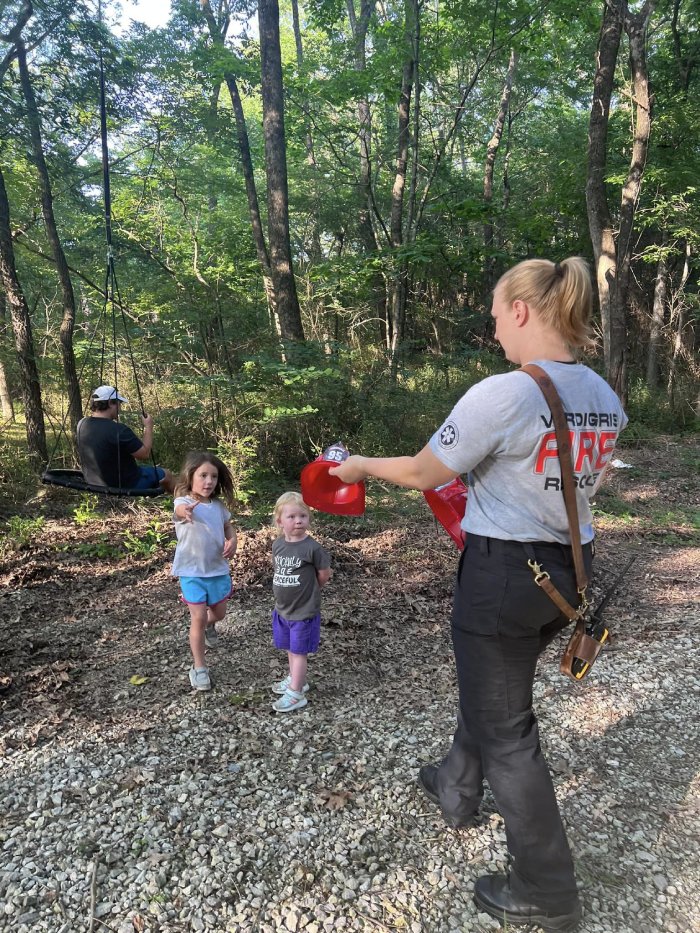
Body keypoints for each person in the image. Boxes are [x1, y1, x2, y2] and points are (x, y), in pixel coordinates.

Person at [329, 257, 627, 932]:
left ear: (521, 310)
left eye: (496, 316)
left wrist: (359, 466)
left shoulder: (505, 394)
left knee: (509, 732)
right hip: (568, 575)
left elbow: (423, 469)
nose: (494, 331)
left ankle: (547, 889)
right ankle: (457, 785)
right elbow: (585, 483)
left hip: (504, 577)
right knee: (496, 693)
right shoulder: (606, 396)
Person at [172, 451, 237, 691]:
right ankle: (199, 668)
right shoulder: (184, 502)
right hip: (191, 572)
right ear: (190, 477)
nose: (208, 481)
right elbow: (179, 510)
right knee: (197, 618)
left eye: (213, 476)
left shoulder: (218, 506)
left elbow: (228, 526)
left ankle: (209, 625)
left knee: (218, 614)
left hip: (218, 570)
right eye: (203, 475)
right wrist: (185, 512)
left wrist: (233, 540)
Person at [270, 492, 331, 713]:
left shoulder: (312, 548)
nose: (298, 521)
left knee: (299, 651)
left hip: (303, 610)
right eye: (292, 516)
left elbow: (323, 574)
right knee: (289, 647)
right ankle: (297, 679)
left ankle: (296, 694)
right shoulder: (278, 545)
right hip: (283, 609)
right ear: (280, 521)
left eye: (303, 516)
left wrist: (311, 590)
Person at [77, 385, 175, 493]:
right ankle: (181, 504)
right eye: (119, 403)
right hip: (125, 485)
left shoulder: (82, 424)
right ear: (110, 403)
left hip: (93, 481)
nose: (120, 408)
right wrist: (148, 427)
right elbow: (145, 454)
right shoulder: (119, 430)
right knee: (167, 474)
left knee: (143, 469)